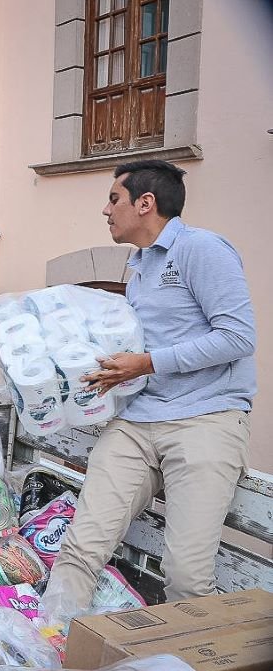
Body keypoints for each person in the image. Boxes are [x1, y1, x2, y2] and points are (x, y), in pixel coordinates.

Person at [45, 160, 255, 612]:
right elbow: (150, 346)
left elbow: (238, 338)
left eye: (114, 198)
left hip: (206, 419)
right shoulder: (139, 264)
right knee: (79, 550)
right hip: (137, 421)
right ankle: (46, 655)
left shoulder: (204, 250)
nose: (106, 209)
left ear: (146, 203)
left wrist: (144, 363)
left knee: (186, 577)